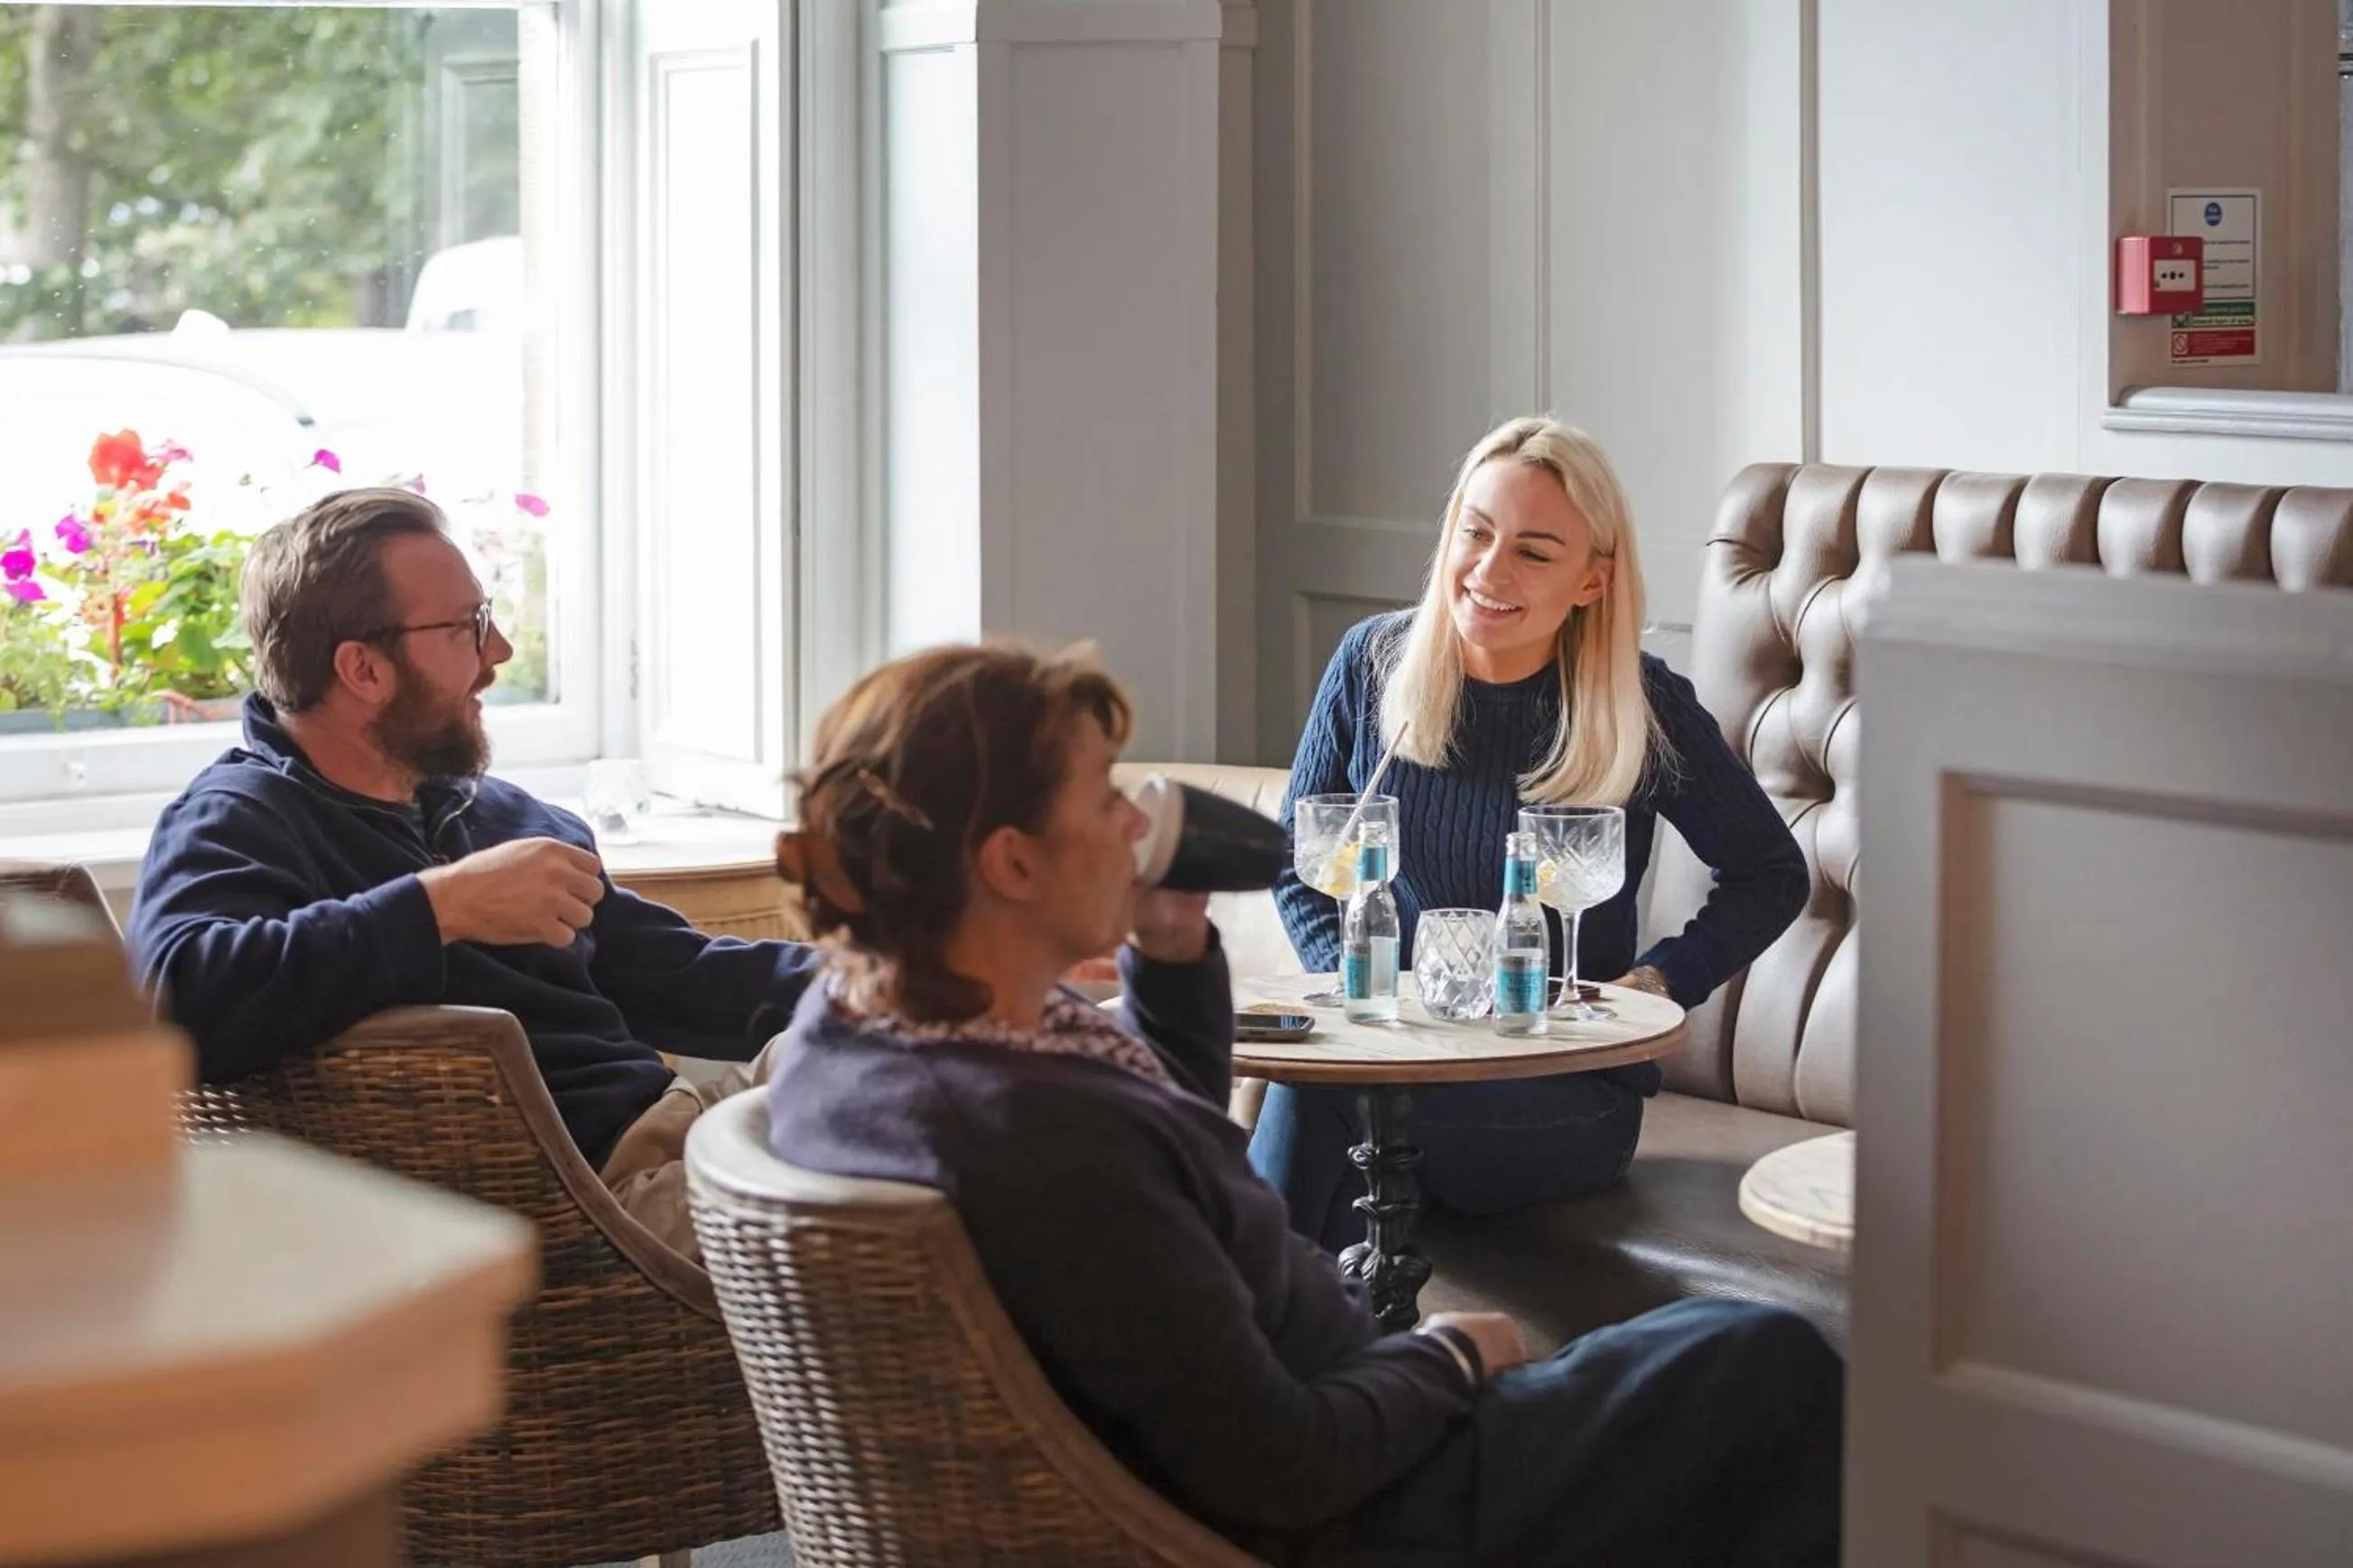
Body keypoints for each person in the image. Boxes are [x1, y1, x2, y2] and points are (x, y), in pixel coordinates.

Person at [763, 641, 1841, 1567]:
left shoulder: (861, 1038)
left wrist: (1173, 954)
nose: (1138, 820)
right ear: (1010, 862)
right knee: (1763, 1363)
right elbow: (1285, 1463)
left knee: (1700, 1368)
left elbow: (1150, 1145)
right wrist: (1451, 1354)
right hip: (1362, 1512)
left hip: (1283, 1437)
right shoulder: (1041, 1138)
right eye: (1102, 799)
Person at [129, 487, 817, 1260]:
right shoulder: (240, 818)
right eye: (468, 627)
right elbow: (176, 998)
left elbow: (679, 974)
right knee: (925, 1143)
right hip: (592, 1211)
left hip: (679, 1132)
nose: (499, 656)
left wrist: (898, 984)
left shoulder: (502, 817)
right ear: (362, 668)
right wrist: (439, 906)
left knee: (924, 1050)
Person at [1257, 416, 1809, 1252]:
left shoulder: (1641, 704)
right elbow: (1300, 865)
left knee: (1333, 1096)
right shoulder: (1372, 662)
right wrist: (1364, 997)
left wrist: (1659, 982)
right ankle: (1310, 1349)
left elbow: (1772, 871)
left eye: (1534, 551)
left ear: (1592, 581)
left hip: (1561, 1088)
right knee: (1334, 1087)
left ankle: (1235, 1343)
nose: (1488, 570)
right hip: (1400, 1058)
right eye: (1475, 533)